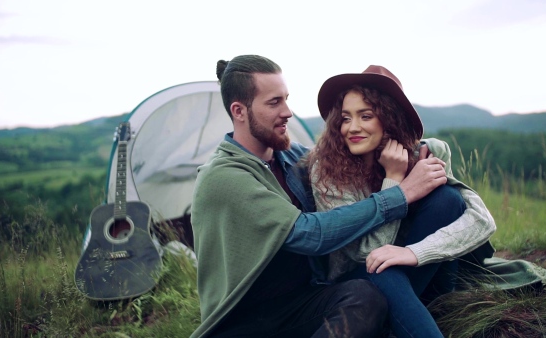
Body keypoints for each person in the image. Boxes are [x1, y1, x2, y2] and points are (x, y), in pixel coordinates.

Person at [189, 55, 450, 338]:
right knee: (373, 285)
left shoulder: (292, 157)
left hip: (302, 304)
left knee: (365, 295)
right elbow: (309, 234)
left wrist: (417, 152)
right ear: (239, 111)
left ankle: (441, 313)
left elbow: (348, 152)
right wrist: (401, 194)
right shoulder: (223, 176)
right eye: (274, 102)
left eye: (286, 99)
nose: (288, 111)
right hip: (245, 322)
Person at [306, 65, 497, 337]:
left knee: (447, 199)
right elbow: (364, 254)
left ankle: (415, 312)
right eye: (346, 118)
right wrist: (394, 181)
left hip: (419, 271)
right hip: (357, 284)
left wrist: (413, 253)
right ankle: (408, 317)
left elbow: (480, 219)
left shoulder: (428, 151)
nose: (352, 127)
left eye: (366, 116)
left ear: (390, 117)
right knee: (382, 266)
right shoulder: (327, 169)